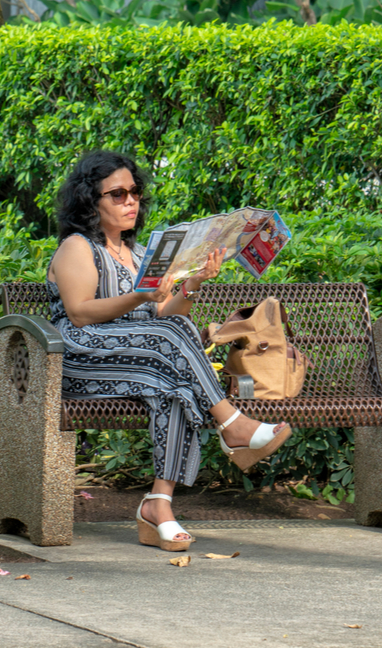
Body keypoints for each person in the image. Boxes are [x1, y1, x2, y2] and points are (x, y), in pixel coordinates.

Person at [46, 149, 294, 552]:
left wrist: (193, 283)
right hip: (80, 356)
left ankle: (159, 503)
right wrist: (139, 295)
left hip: (140, 358)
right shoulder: (78, 247)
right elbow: (80, 313)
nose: (130, 202)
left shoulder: (142, 253)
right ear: (90, 200)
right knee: (170, 342)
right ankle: (232, 424)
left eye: (135, 192)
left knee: (176, 375)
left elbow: (166, 312)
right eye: (117, 194)